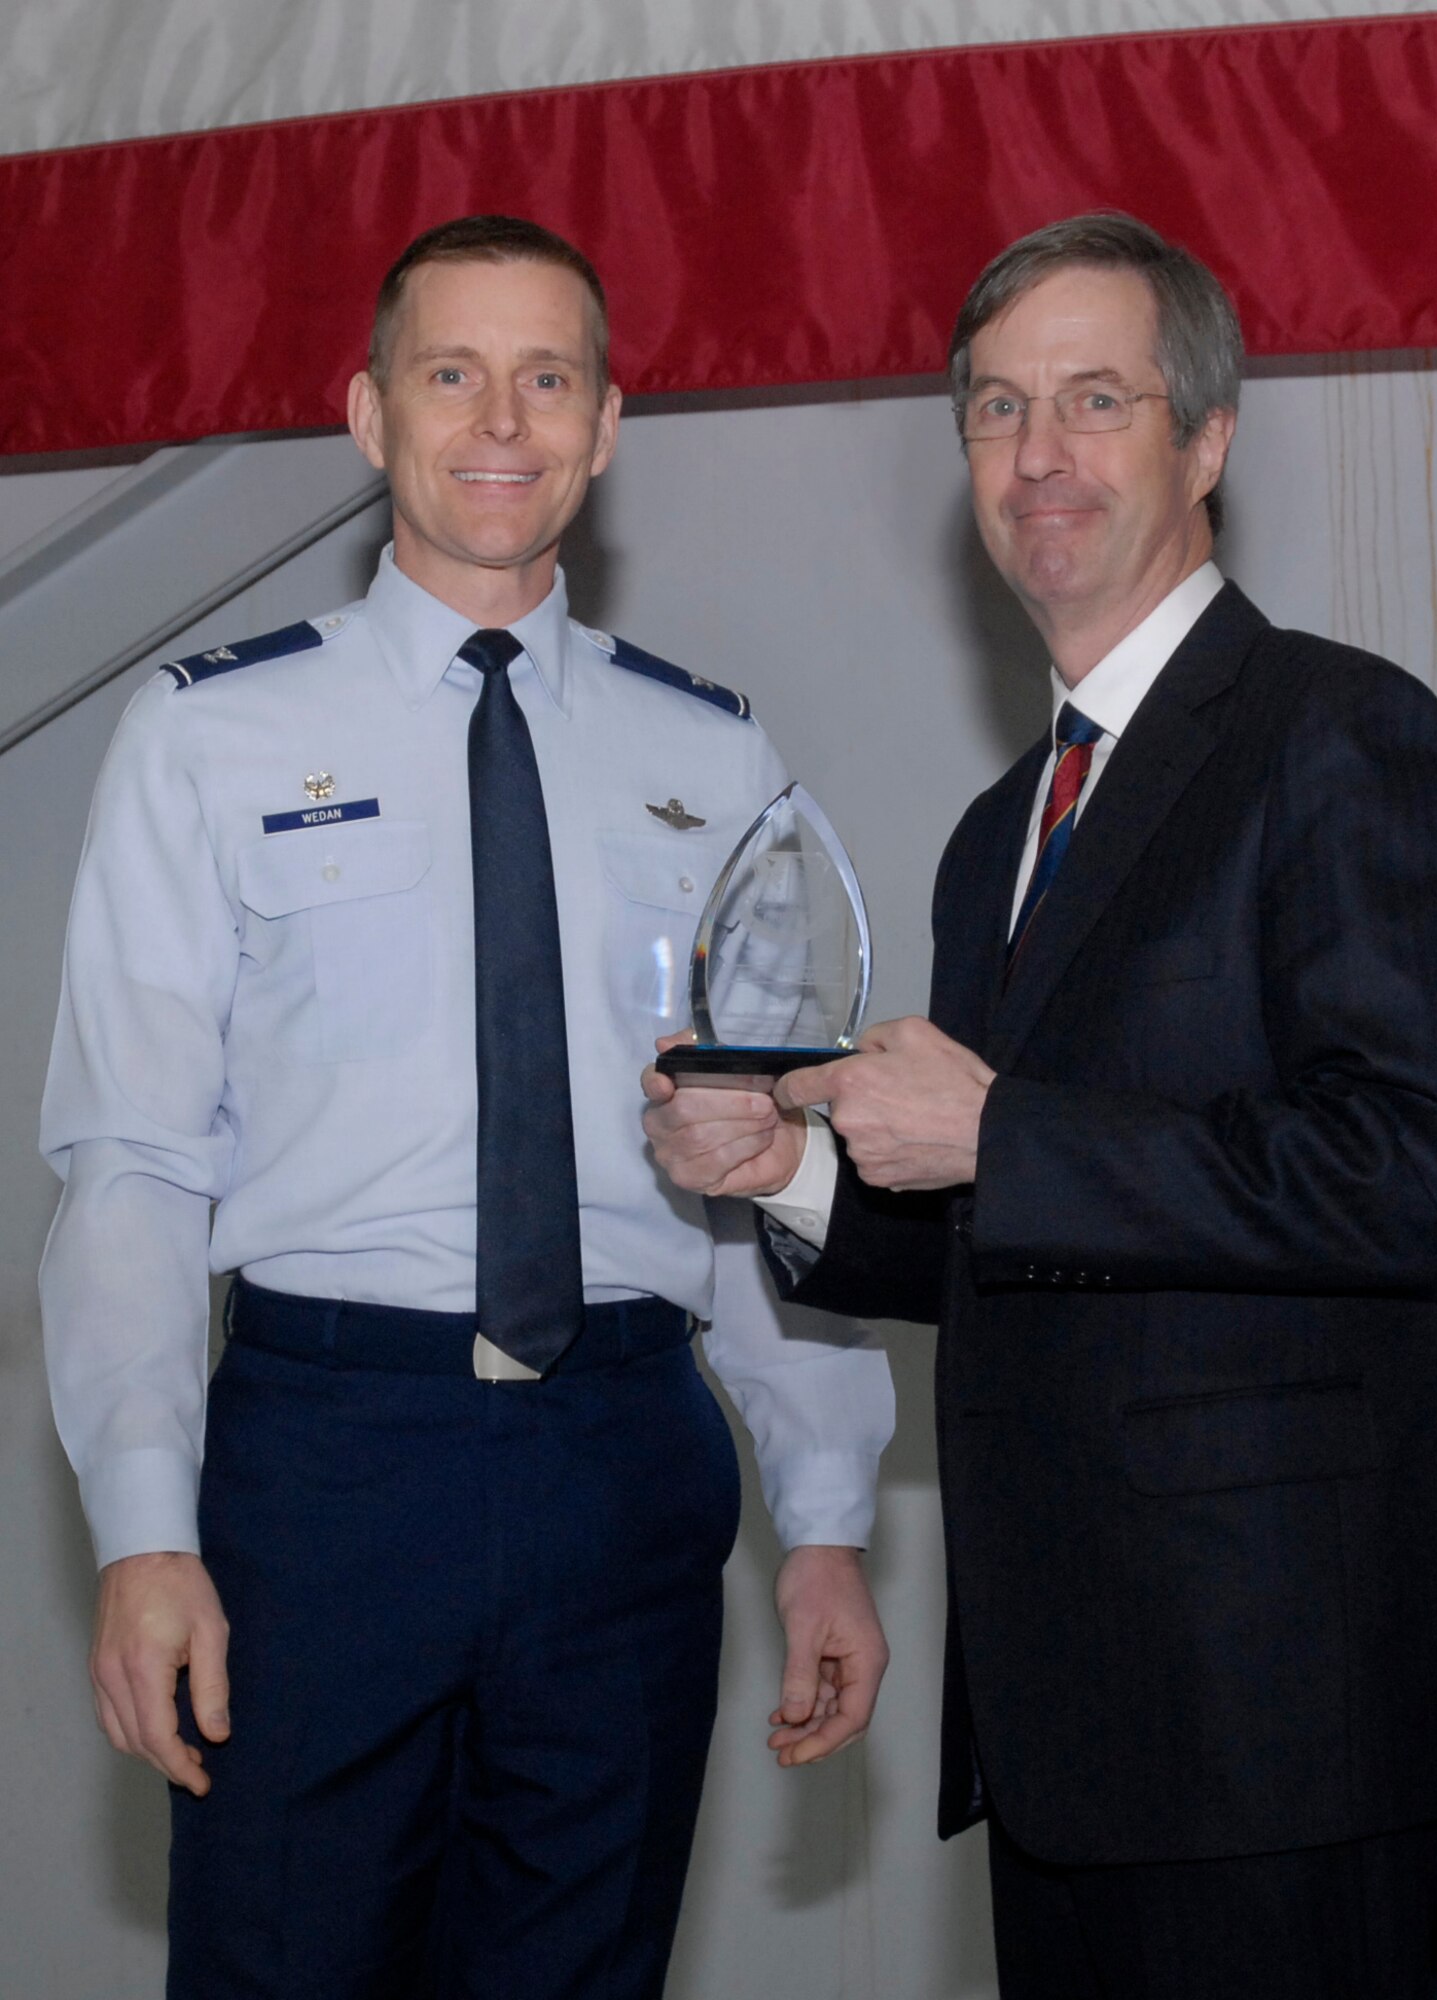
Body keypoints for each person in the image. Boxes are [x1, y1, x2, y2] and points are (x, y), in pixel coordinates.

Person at [643, 212, 1437, 1999]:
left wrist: (1000, 1134)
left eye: (1095, 401)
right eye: (995, 410)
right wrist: (795, 1173)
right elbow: (1010, 1233)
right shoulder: (995, 835)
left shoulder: (1342, 732)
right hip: (1064, 1732)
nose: (1039, 455)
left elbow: (1412, 1173)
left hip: (1287, 1732)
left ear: (1205, 440)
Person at [40, 214, 893, 2000]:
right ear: (369, 415)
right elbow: (128, 1163)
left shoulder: (714, 757)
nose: (500, 418)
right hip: (324, 1468)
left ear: (602, 427)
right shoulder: (208, 739)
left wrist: (822, 1519)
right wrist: (143, 1527)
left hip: (624, 1472)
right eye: (452, 372)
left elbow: (759, 1170)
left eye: (548, 377)